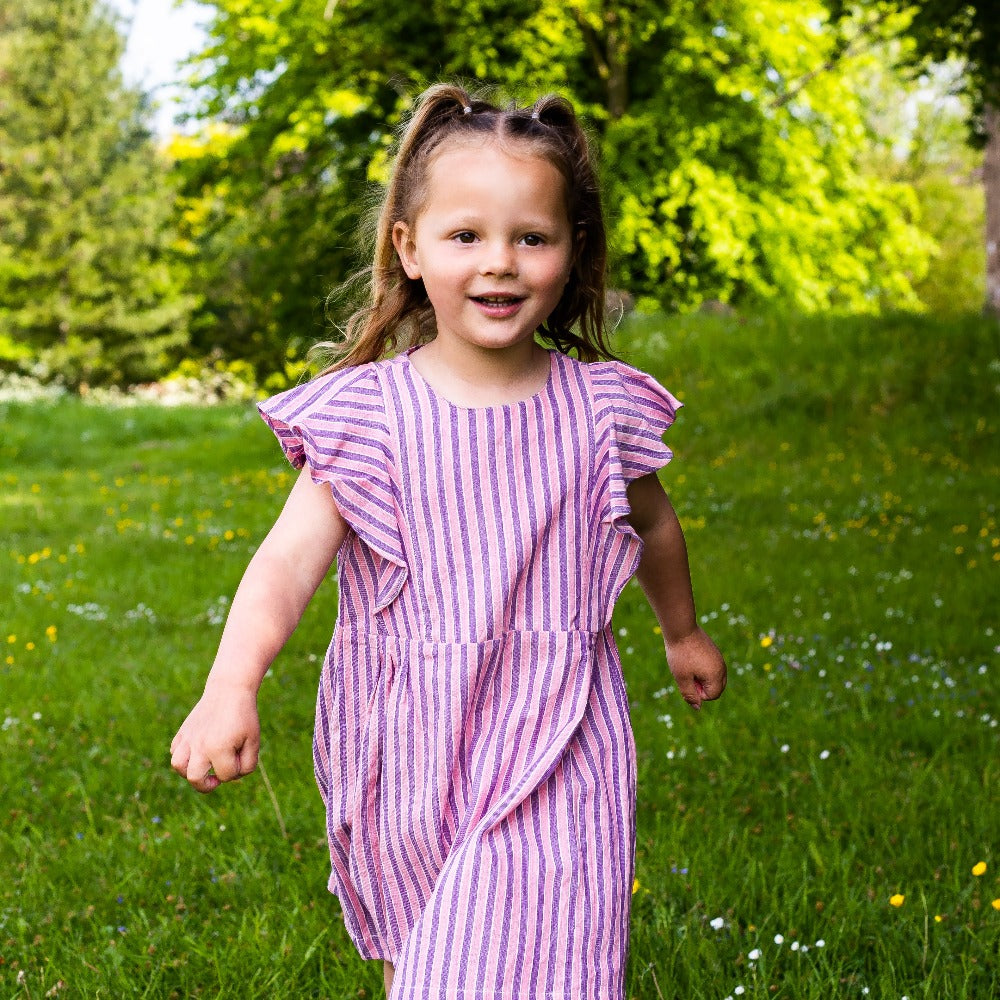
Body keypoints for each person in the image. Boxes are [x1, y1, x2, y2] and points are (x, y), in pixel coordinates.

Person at [170, 82, 726, 999]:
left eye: (531, 238)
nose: (499, 264)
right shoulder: (370, 417)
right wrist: (231, 686)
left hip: (560, 727)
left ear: (571, 251)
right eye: (466, 236)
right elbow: (284, 565)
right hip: (408, 739)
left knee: (554, 948)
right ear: (410, 247)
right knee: (429, 953)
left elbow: (654, 522)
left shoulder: (599, 408)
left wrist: (680, 631)